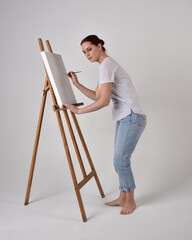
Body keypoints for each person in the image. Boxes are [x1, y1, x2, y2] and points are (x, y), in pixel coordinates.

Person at [63, 35, 147, 215]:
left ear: (99, 46)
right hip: (126, 116)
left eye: (89, 49)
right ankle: (123, 197)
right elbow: (96, 95)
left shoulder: (107, 65)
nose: (87, 54)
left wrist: (79, 111)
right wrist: (76, 84)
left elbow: (103, 101)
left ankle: (130, 201)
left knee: (121, 161)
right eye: (84, 52)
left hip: (131, 116)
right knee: (119, 161)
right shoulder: (105, 66)